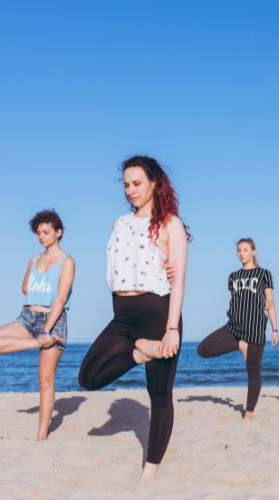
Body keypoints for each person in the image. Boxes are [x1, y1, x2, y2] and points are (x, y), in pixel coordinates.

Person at [78, 155, 189, 481]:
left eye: (137, 183)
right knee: (88, 377)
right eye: (126, 184)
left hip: (157, 313)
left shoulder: (171, 224)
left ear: (154, 183)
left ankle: (150, 471)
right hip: (122, 317)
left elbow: (179, 279)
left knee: (159, 395)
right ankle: (140, 352)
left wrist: (171, 328)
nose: (130, 190)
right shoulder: (120, 223)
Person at [0, 209, 75, 441]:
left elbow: (60, 300)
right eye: (38, 233)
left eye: (46, 232)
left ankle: (41, 436)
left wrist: (47, 330)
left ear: (58, 232)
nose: (41, 236)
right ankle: (34, 344)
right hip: (26, 317)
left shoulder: (67, 261)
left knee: (45, 380)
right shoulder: (34, 259)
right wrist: (37, 339)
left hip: (53, 321)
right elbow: (25, 289)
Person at [195, 238, 279, 420]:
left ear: (254, 252)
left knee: (253, 372)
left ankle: (249, 413)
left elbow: (270, 303)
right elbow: (235, 300)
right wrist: (239, 342)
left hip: (255, 328)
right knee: (203, 349)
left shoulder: (265, 274)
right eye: (239, 250)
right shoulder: (233, 277)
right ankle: (240, 345)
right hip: (233, 326)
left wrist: (275, 329)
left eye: (245, 250)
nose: (242, 253)